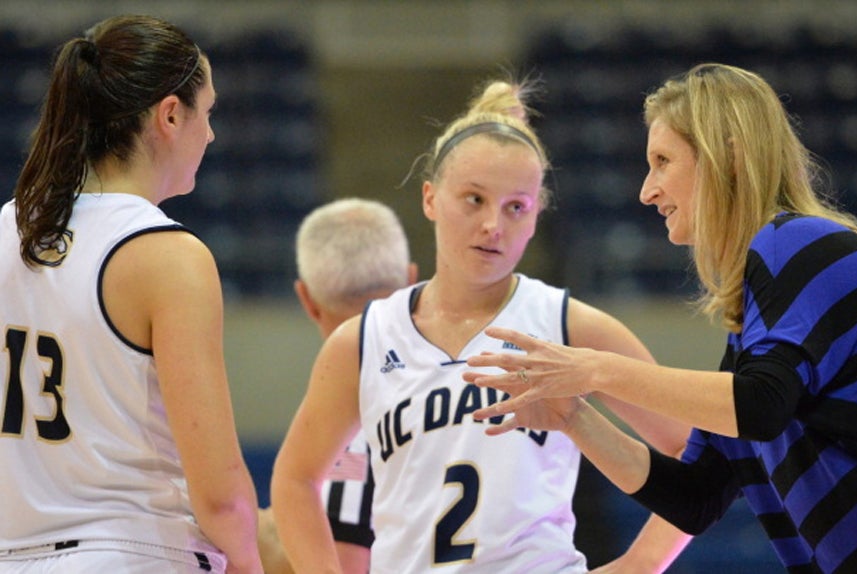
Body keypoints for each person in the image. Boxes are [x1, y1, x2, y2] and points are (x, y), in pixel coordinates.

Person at [465, 63, 857, 572]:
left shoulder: (800, 242)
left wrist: (595, 369)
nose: (647, 191)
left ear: (727, 156)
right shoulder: (755, 331)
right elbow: (697, 496)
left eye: (662, 161)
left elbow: (759, 407)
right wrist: (572, 416)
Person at [270, 75, 691, 573]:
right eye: (474, 199)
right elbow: (295, 480)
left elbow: (692, 449)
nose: (494, 225)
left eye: (517, 207)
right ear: (430, 198)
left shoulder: (569, 326)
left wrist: (641, 563)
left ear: (536, 218)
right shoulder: (361, 340)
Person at [0, 15, 262, 573]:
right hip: (134, 552)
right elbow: (219, 491)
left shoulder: (6, 229)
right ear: (170, 114)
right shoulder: (167, 255)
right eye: (207, 113)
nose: (211, 134)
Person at [257, 197, 418, 574]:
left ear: (307, 299)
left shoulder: (363, 407)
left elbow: (347, 563)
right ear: (411, 281)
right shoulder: (453, 383)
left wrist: (263, 539)